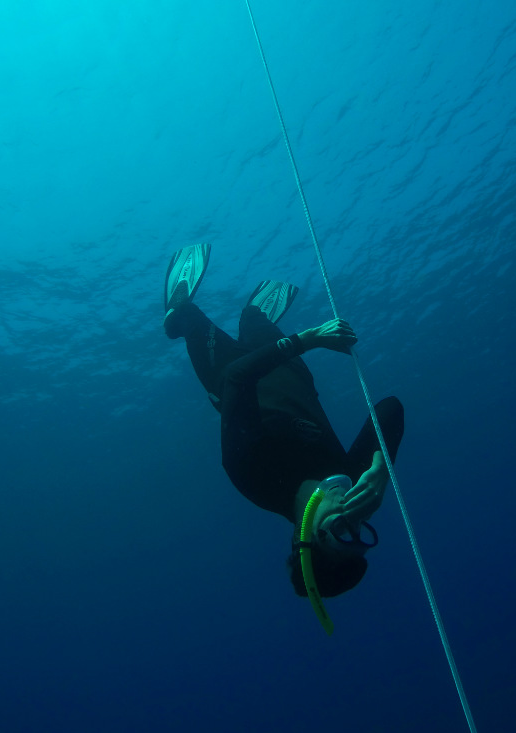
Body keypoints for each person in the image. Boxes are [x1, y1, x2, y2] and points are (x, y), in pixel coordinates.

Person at [163, 243, 404, 599]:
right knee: (253, 318)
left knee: (186, 316)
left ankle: (177, 310)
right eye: (360, 532)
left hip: (228, 372)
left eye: (338, 530)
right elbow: (391, 408)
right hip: (289, 368)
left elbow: (237, 380)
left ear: (301, 537)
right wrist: (382, 470)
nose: (351, 517)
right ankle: (255, 316)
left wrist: (308, 339)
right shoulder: (352, 481)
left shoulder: (253, 477)